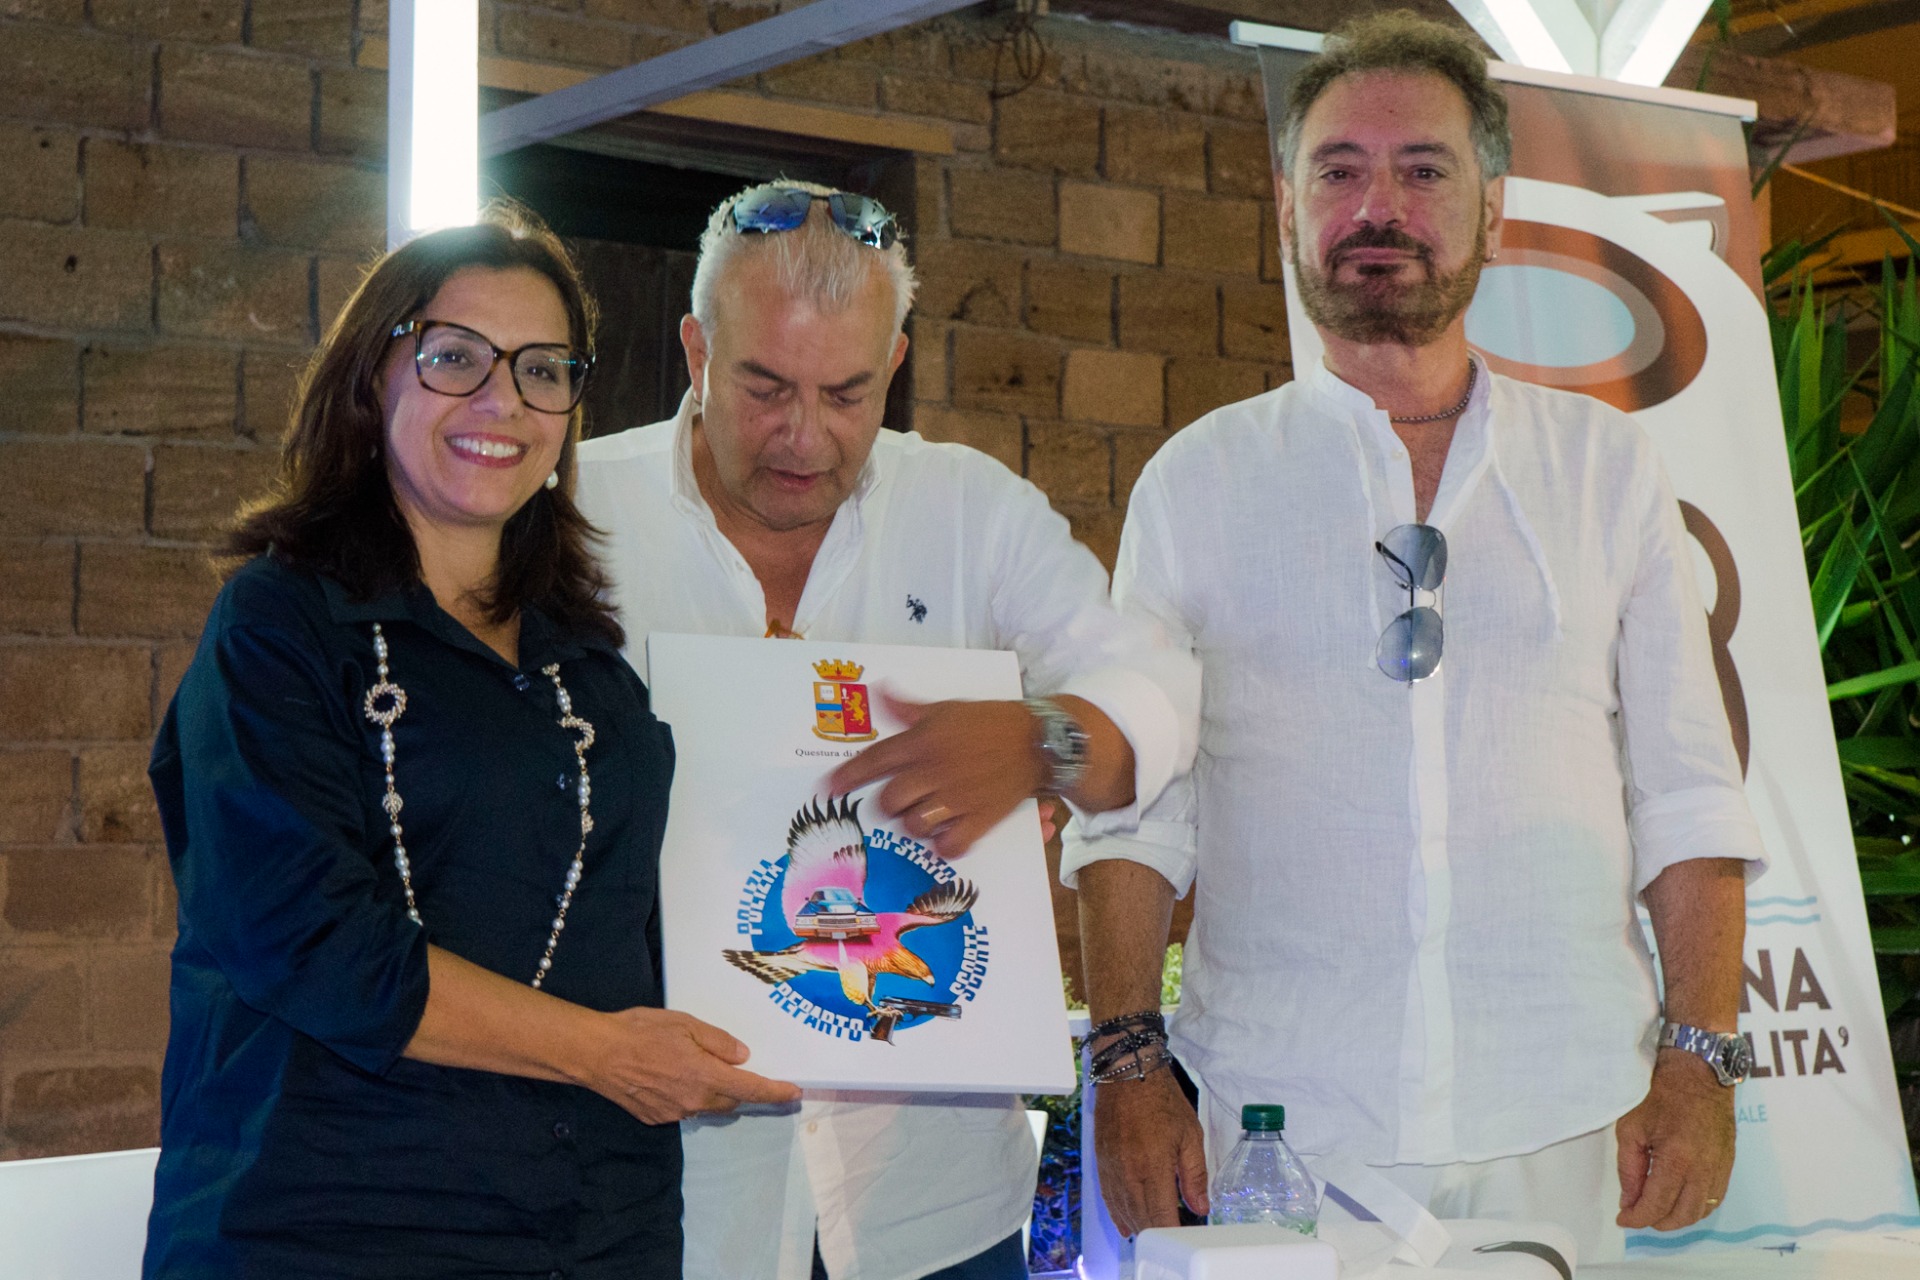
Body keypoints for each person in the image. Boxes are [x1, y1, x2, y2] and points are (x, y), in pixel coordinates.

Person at [1066, 13, 1764, 1264]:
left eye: (1423, 170)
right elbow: (1134, 814)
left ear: (1493, 212)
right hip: (1275, 1127)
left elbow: (1690, 796)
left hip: (1567, 1121)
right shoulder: (1198, 483)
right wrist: (1125, 1063)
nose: (1376, 206)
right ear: (1287, 208)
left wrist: (1700, 1063)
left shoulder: (1607, 470)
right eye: (1339, 170)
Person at [143, 205, 797, 1279]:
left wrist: (910, 850)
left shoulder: (592, 668)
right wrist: (604, 1053)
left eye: (542, 370)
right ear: (372, 379)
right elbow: (308, 938)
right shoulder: (280, 628)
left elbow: (668, 910)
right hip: (333, 1227)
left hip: (595, 1231)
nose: (504, 401)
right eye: (455, 358)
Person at [574, 181, 1199, 1280]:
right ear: (695, 351)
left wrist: (1040, 741)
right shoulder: (574, 514)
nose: (804, 435)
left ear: (896, 364)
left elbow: (1156, 687)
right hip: (655, 1200)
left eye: (847, 393)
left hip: (933, 1210)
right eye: (765, 387)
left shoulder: (968, 512)